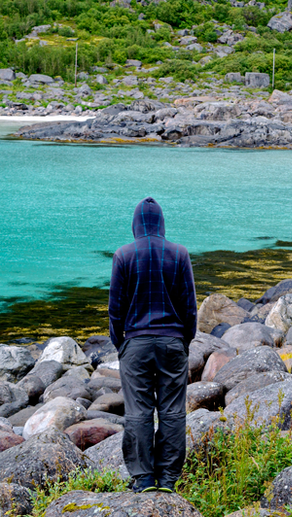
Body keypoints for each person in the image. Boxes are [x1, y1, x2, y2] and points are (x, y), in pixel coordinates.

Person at [109, 197, 197, 493]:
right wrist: (184, 341)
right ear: (161, 223)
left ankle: (143, 478)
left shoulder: (123, 255)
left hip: (135, 344)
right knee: (172, 412)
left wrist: (120, 345)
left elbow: (115, 309)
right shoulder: (179, 254)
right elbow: (190, 308)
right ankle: (168, 479)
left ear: (135, 224)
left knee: (138, 412)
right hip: (172, 342)